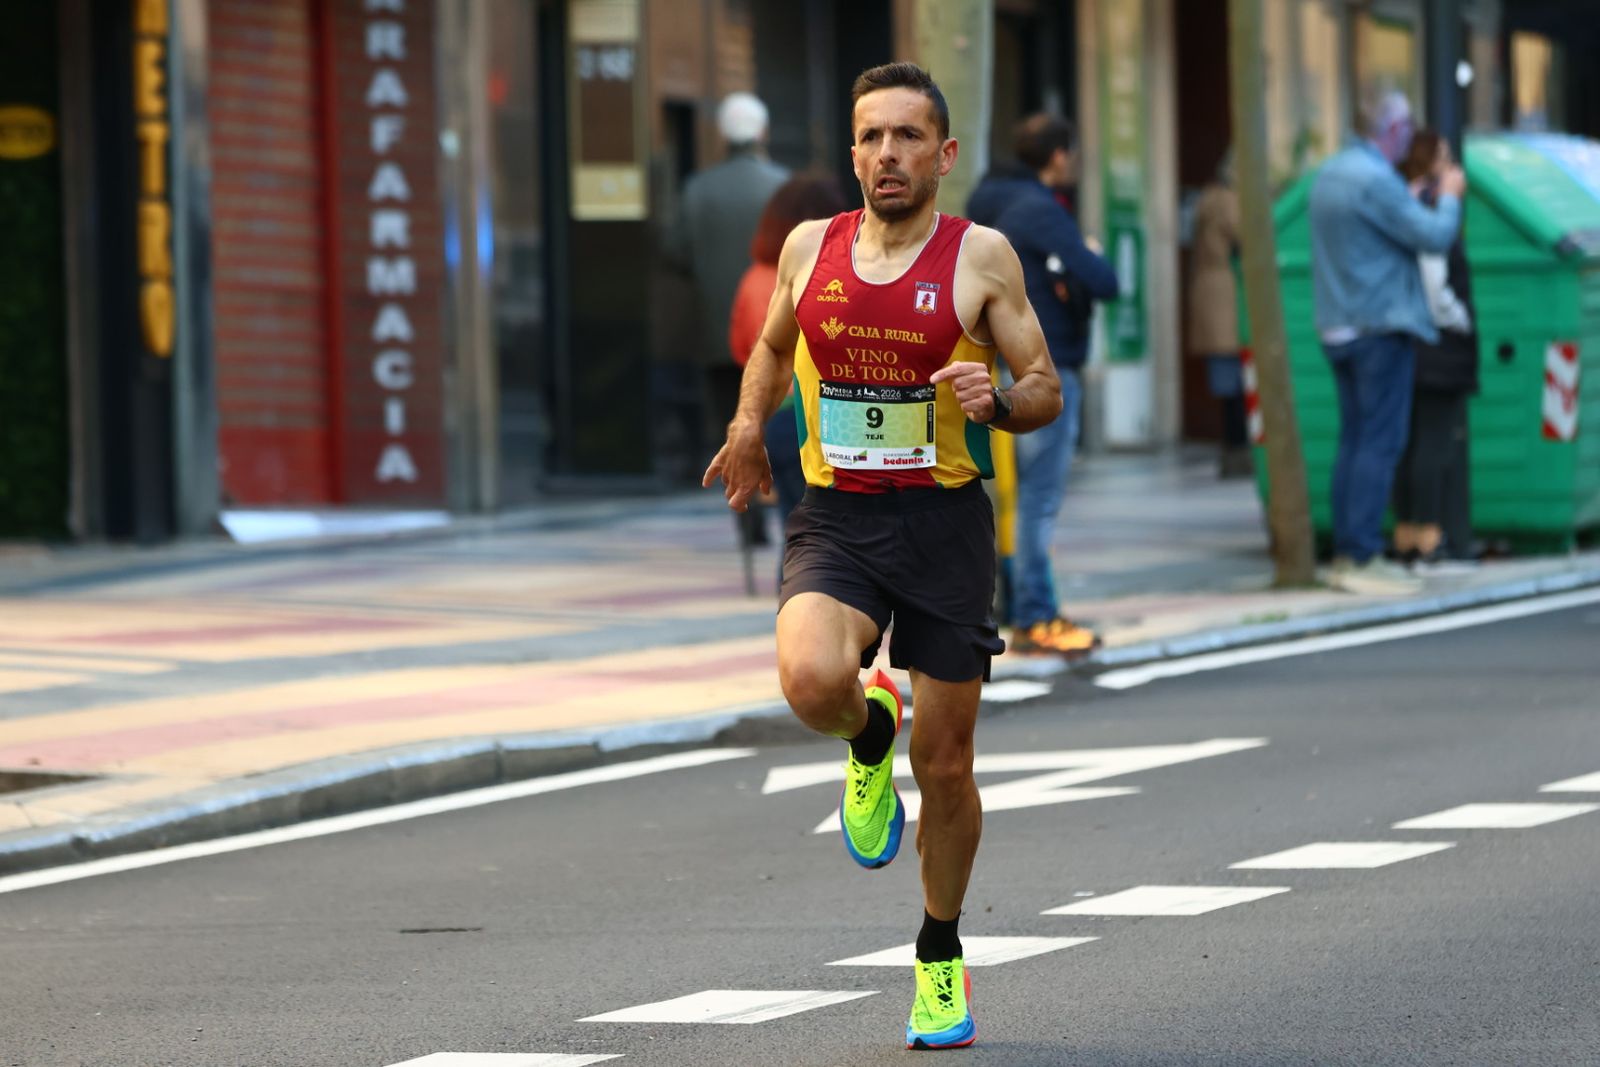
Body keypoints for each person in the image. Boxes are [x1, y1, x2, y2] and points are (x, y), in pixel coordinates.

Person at [703, 62, 1062, 1050]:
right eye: (870, 137)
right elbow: (773, 349)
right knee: (811, 678)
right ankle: (867, 734)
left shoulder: (981, 258)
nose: (886, 155)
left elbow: (1043, 385)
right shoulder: (809, 247)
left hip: (944, 525)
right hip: (838, 514)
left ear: (943, 154)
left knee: (945, 767)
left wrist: (1001, 402)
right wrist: (746, 427)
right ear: (852, 151)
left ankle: (939, 950)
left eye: (907, 137)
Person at [966, 115, 1118, 656]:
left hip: (990, 368)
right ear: (1058, 157)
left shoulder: (983, 204)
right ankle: (1035, 613)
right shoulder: (1039, 211)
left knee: (1007, 495)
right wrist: (1090, 251)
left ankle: (1012, 604)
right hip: (1039, 367)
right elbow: (1105, 280)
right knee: (1039, 497)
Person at [1309, 89, 1464, 596]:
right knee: (1379, 443)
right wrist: (1450, 196)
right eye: (1406, 129)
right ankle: (1359, 555)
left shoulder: (1331, 173)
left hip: (1338, 324)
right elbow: (1433, 236)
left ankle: (1346, 553)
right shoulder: (1376, 179)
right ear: (1393, 130)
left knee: (1355, 440)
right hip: (1378, 326)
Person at [666, 92, 789, 540]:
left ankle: (746, 518)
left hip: (717, 329)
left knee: (729, 419)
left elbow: (674, 250)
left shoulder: (698, 188)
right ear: (763, 132)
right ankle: (783, 506)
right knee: (775, 416)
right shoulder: (782, 185)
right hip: (775, 328)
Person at [728, 173, 849, 541]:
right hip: (825, 413)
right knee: (831, 533)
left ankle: (792, 591)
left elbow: (740, 347)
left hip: (776, 417)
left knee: (796, 526)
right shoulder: (834, 274)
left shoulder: (752, 278)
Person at [1391, 130, 1479, 569]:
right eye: (1446, 159)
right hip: (1436, 343)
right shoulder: (1428, 205)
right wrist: (1456, 317)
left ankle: (1409, 534)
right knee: (1432, 442)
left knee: (1411, 442)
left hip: (1407, 342)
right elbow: (1433, 278)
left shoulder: (1401, 202)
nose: (1454, 171)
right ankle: (1426, 536)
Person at [1187, 151, 1253, 478]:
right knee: (1238, 382)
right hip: (1227, 290)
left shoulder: (1206, 199)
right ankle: (1239, 452)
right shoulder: (1229, 200)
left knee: (1227, 381)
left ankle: (1232, 449)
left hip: (1207, 289)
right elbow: (1248, 237)